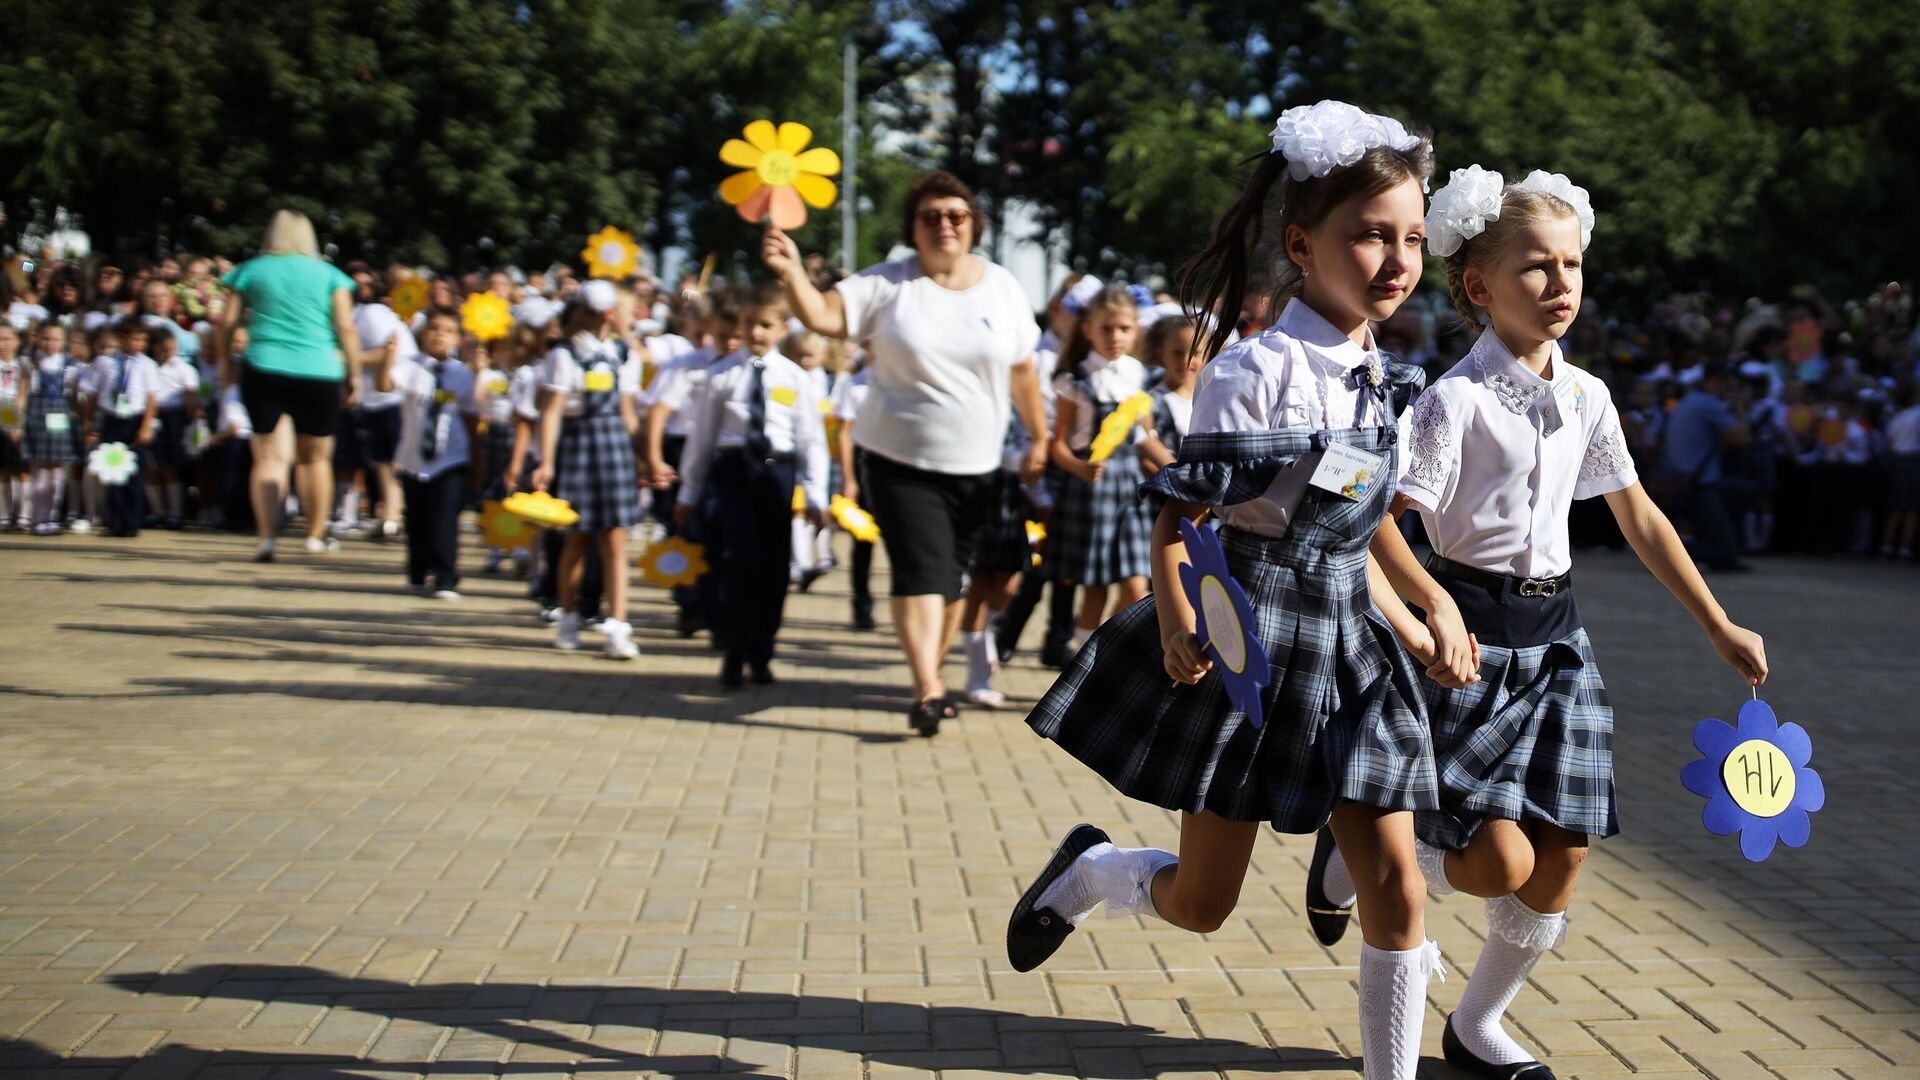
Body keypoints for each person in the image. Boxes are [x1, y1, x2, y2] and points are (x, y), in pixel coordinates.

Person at [1005, 101, 1470, 1080]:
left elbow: (1364, 510)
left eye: (1412, 239)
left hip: (1351, 649)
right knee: (1205, 905)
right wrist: (1179, 619)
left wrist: (1431, 600)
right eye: (1369, 236)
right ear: (1302, 244)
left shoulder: (1384, 373)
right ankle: (1096, 870)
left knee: (1394, 883)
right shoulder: (1254, 373)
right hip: (1251, 646)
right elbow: (1182, 518)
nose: (1394, 259)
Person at [1315, 167, 1768, 1080]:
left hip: (1558, 644)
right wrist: (1423, 619)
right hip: (1468, 648)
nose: (1560, 284)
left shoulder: (1590, 395)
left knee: (1561, 862)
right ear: (1479, 287)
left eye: (1572, 265)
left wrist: (1717, 623)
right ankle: (1353, 861)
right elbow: (1373, 526)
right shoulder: (1451, 401)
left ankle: (1477, 1026)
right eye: (1535, 268)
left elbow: (1637, 514)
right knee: (1495, 864)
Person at [765, 170, 1050, 735]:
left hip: (977, 463)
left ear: (974, 226)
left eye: (956, 215)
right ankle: (927, 687)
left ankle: (933, 675)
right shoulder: (888, 285)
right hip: (897, 458)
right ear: (913, 229)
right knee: (921, 569)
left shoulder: (1002, 287)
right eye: (930, 216)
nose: (944, 225)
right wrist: (791, 272)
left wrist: (1040, 435)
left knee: (950, 579)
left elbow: (1021, 370)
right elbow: (823, 316)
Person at [673, 284, 830, 687]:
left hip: (776, 472)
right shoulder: (721, 376)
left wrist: (816, 494)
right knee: (739, 559)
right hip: (733, 472)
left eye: (765, 325)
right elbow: (702, 438)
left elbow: (811, 439)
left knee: (775, 568)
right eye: (749, 324)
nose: (757, 333)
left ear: (782, 329)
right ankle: (734, 648)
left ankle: (762, 649)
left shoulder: (796, 379)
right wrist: (688, 492)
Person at [215, 210, 366, 562]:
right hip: (320, 370)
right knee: (315, 458)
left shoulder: (252, 269)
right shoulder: (330, 274)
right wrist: (354, 372)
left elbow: (226, 320)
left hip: (264, 365)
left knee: (268, 457)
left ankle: (267, 538)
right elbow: (345, 326)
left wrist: (224, 361)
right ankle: (315, 534)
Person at [531, 280, 642, 660]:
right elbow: (552, 412)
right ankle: (570, 616)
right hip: (578, 445)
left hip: (613, 448)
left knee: (614, 540)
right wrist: (545, 460)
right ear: (610, 314)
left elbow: (628, 414)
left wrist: (643, 457)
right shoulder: (565, 354)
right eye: (629, 311)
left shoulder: (624, 353)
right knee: (576, 540)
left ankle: (618, 626)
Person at [1045, 284, 1155, 652]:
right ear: (1088, 329)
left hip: (1133, 484)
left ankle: (1105, 650)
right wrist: (1078, 469)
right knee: (1095, 587)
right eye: (1106, 328)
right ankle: (1081, 655)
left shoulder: (1138, 374)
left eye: (1124, 328)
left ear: (1135, 329)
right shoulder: (1075, 380)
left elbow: (1145, 434)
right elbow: (1057, 443)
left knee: (1138, 586)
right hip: (1095, 487)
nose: (1115, 336)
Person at [383, 307, 479, 599]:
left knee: (445, 517)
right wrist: (388, 355)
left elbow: (471, 416)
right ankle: (417, 571)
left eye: (448, 331)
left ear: (458, 339)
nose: (440, 336)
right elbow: (384, 385)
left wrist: (477, 460)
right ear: (424, 333)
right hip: (414, 456)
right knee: (417, 519)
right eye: (435, 329)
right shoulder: (409, 366)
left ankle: (446, 576)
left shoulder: (462, 374)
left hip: (450, 456)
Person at [1657, 361, 1754, 571]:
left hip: (1682, 481)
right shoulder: (1709, 404)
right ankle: (1662, 553)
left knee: (1742, 491)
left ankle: (1667, 552)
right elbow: (1741, 439)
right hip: (1698, 486)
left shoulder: (1690, 400)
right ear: (1716, 382)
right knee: (1726, 554)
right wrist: (1740, 406)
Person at [83, 319, 160, 536]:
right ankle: (115, 521)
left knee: (135, 473)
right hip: (112, 420)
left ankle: (132, 522)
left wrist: (146, 427)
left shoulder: (147, 364)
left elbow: (152, 398)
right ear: (121, 339)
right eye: (135, 339)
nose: (140, 344)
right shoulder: (104, 362)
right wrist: (88, 422)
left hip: (135, 420)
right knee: (112, 471)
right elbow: (92, 393)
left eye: (143, 340)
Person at [830, 353, 877, 630]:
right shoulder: (854, 386)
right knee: (863, 540)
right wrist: (849, 479)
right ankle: (862, 604)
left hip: (895, 464)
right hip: (863, 463)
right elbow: (845, 433)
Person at [146, 328, 200, 528]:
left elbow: (191, 399)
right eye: (162, 349)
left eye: (170, 348)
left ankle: (175, 513)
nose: (167, 353)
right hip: (152, 415)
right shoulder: (149, 366)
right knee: (151, 466)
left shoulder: (184, 369)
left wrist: (193, 416)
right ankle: (157, 511)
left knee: (170, 466)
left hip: (174, 417)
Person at [1882, 386, 1920, 559]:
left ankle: (1887, 546)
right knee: (1912, 508)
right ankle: (1904, 549)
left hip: (1897, 460)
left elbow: (1890, 443)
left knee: (1896, 507)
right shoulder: (1917, 414)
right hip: (1912, 460)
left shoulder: (1897, 417)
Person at [0, 324, 24, 529]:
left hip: (16, 420)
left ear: (17, 341)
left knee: (19, 468)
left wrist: (16, 424)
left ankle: (22, 515)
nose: (2, 344)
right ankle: (3, 515)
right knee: (2, 470)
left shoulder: (23, 367)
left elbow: (23, 396)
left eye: (7, 339)